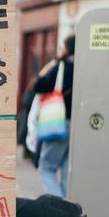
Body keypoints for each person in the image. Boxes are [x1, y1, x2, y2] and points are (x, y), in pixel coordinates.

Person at [33, 34, 75, 197]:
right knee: (66, 169)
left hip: (58, 122)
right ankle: (68, 211)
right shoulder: (86, 67)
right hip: (77, 125)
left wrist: (46, 70)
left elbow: (37, 86)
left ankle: (59, 206)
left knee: (46, 167)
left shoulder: (61, 67)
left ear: (67, 48)